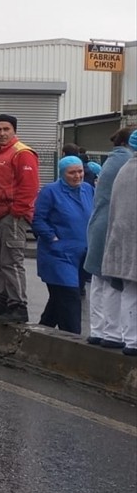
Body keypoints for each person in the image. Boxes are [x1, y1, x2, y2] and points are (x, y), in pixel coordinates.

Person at [0, 114, 40, 323]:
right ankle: (2, 301)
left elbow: (29, 186)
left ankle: (18, 305)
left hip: (11, 216)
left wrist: (17, 211)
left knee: (11, 261)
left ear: (14, 131)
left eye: (6, 129)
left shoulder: (22, 153)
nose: (2, 133)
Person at [32, 156, 94, 334]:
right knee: (69, 298)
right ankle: (73, 340)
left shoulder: (88, 189)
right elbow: (38, 219)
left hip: (81, 255)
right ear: (62, 173)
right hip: (58, 255)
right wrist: (52, 238)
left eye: (80, 171)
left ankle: (40, 334)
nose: (77, 176)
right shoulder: (50, 191)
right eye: (72, 172)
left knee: (58, 301)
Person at [84, 128, 134, 347]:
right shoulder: (126, 161)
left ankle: (100, 331)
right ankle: (116, 334)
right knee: (117, 282)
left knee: (100, 280)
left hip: (102, 226)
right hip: (115, 228)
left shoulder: (114, 161)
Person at [99, 150, 137, 356]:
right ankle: (132, 340)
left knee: (128, 290)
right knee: (131, 291)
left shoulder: (125, 169)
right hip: (131, 240)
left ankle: (127, 338)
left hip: (123, 240)